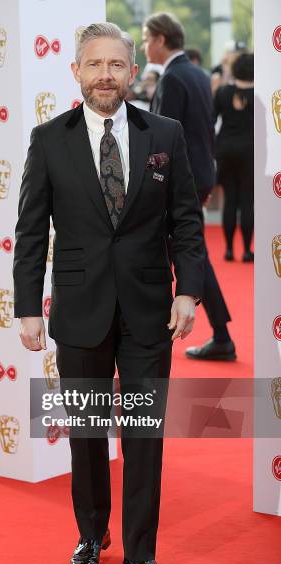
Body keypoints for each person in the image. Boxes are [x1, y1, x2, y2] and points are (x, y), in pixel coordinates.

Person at [13, 23, 205, 564]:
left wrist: (188, 291)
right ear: (76, 71)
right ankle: (92, 536)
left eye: (116, 65)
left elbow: (187, 223)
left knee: (145, 436)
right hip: (79, 309)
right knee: (87, 435)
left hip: (150, 311)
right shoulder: (49, 139)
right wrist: (28, 307)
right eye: (94, 64)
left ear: (132, 72)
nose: (105, 75)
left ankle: (142, 554)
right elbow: (30, 231)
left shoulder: (164, 133)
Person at [143, 12, 236, 362]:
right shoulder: (197, 73)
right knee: (193, 255)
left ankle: (221, 334)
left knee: (190, 256)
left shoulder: (173, 79)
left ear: (161, 39)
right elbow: (205, 130)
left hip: (178, 181)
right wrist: (206, 176)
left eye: (146, 38)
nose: (143, 45)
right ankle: (220, 332)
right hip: (198, 175)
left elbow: (161, 140)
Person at [214, 53, 254, 262]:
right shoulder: (259, 94)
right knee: (247, 200)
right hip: (250, 151)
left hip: (225, 149)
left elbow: (211, 121)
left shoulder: (222, 92)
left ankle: (229, 249)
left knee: (230, 199)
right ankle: (247, 250)